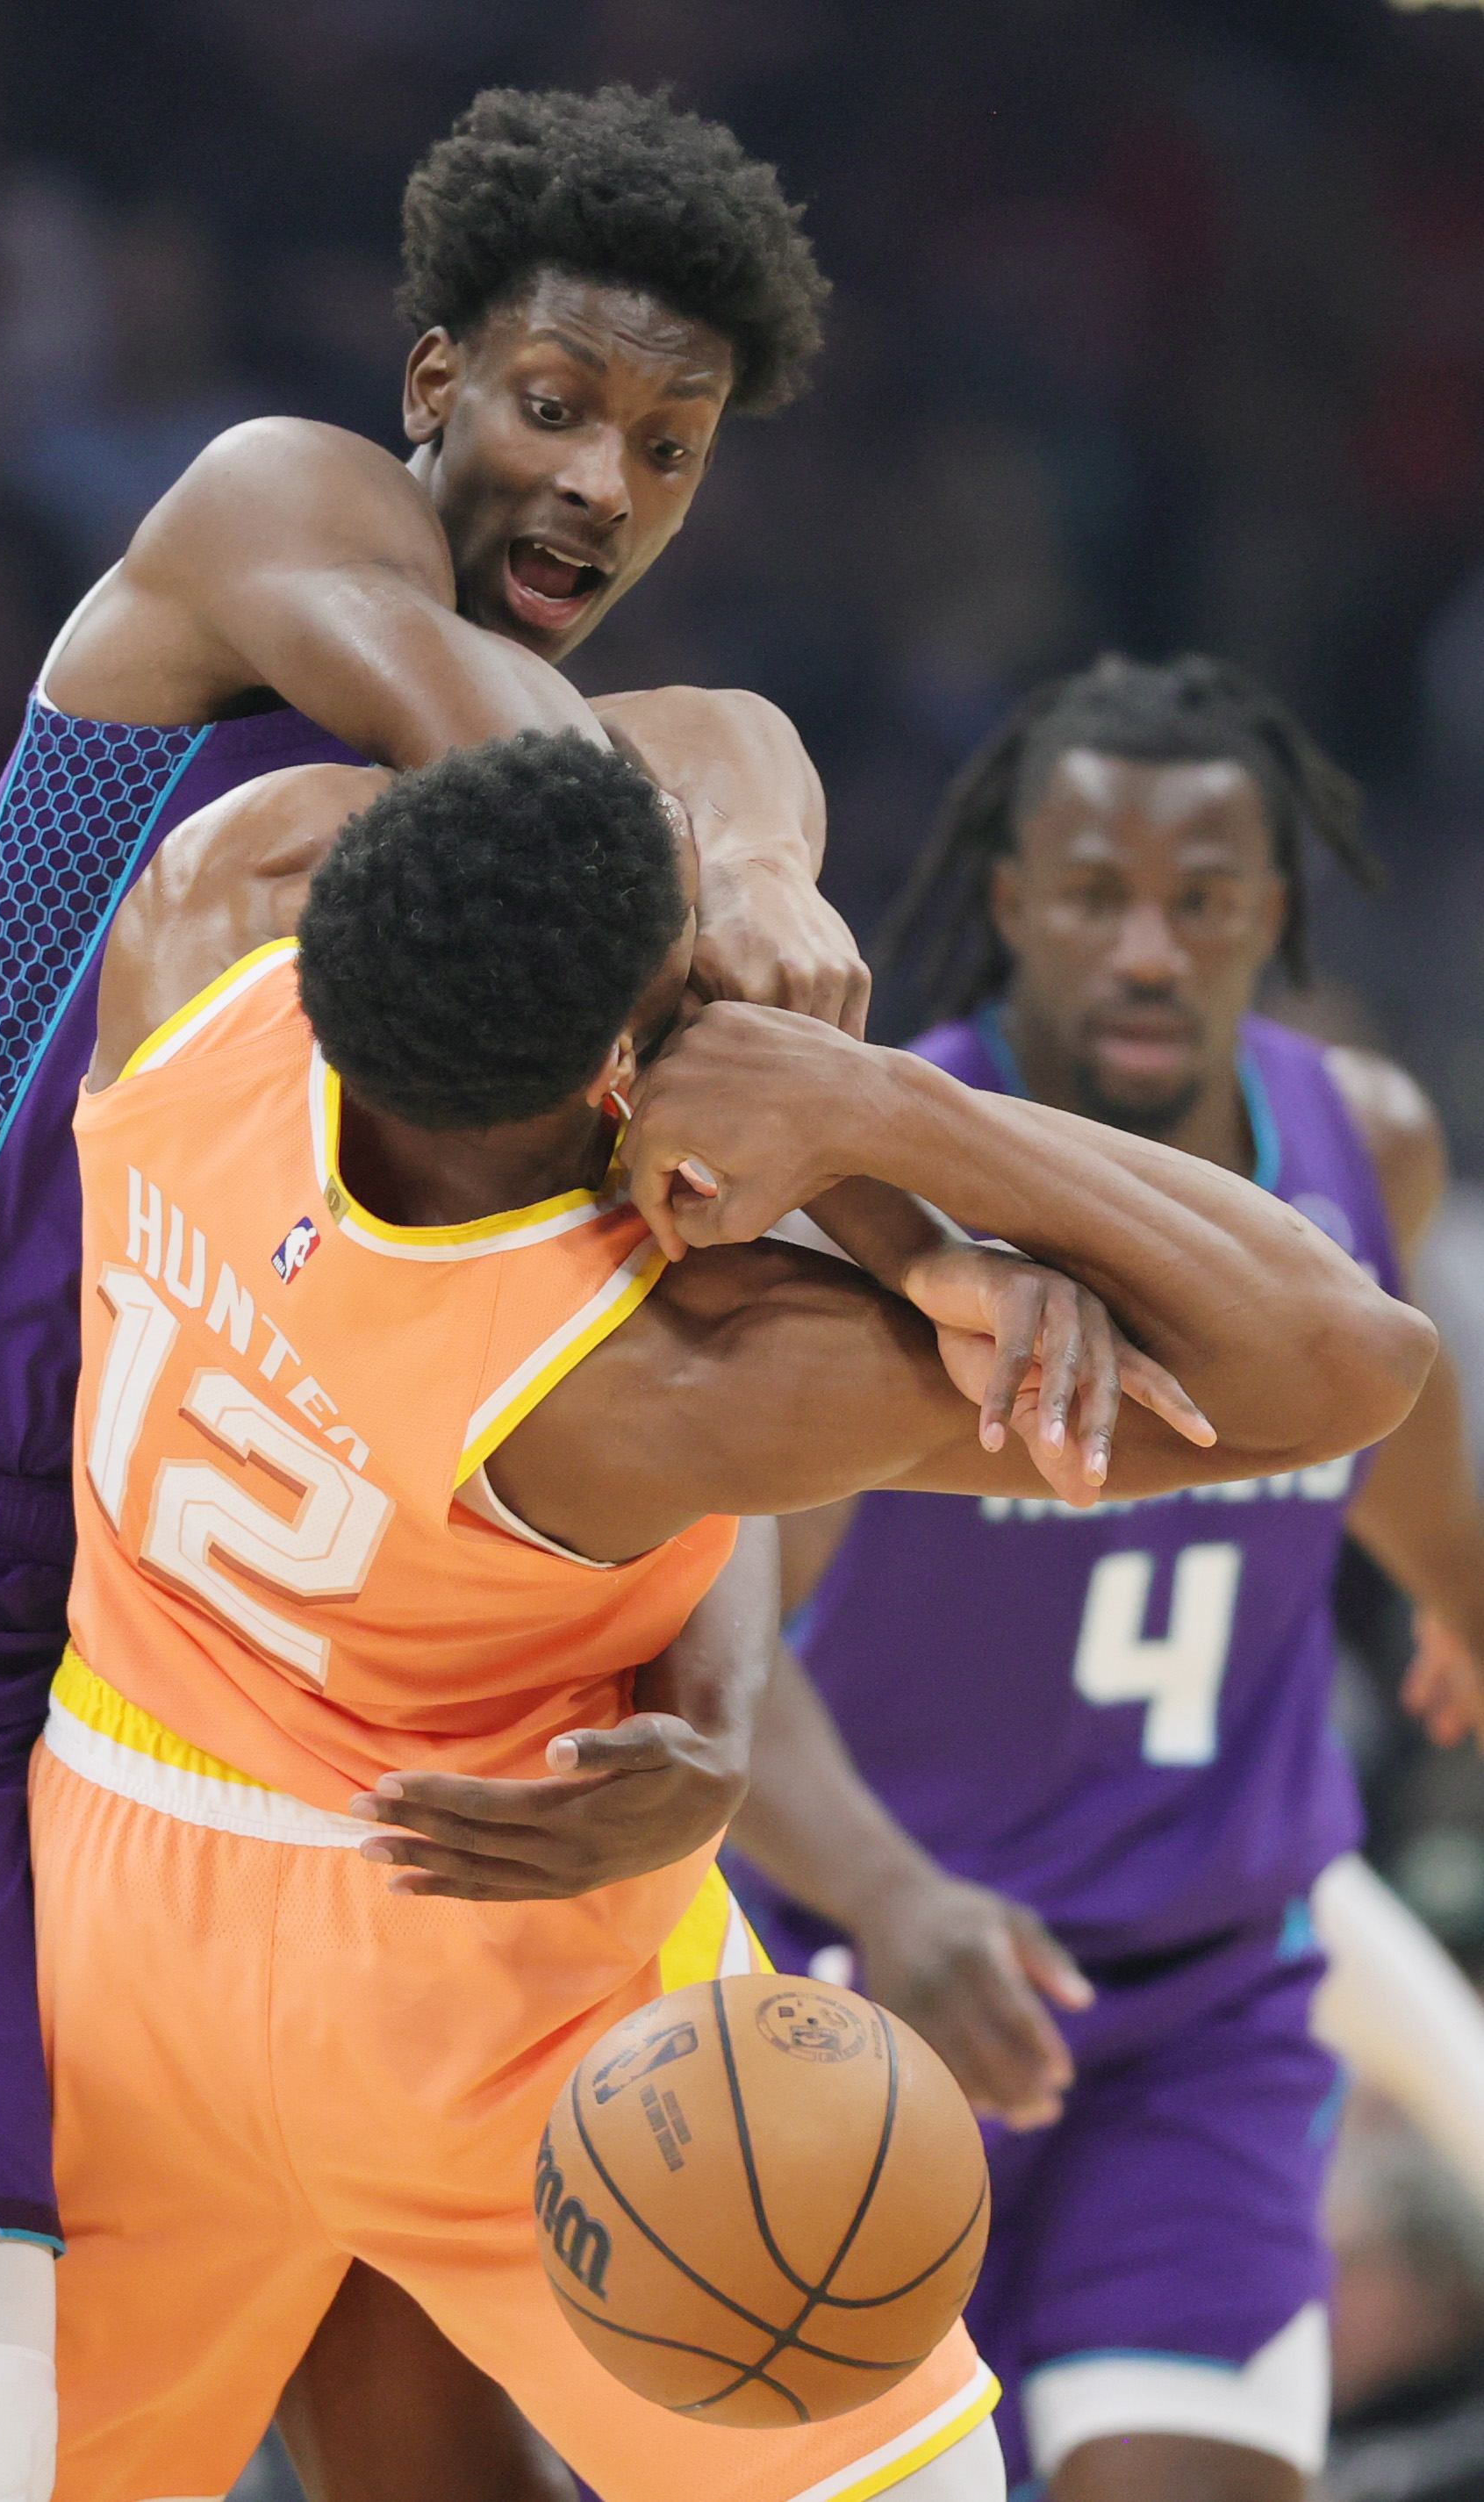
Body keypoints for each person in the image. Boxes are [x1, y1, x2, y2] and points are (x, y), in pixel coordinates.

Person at [0, 82, 866, 2502]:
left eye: (668, 442)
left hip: (229, 1670)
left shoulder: (627, 803)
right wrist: (736, 842)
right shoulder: (276, 508)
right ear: (430, 381)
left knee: (407, 2432)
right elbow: (549, 770)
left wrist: (717, 1714)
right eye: (550, 404)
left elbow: (650, 1339)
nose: (601, 485)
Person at [37, 724, 1430, 2502]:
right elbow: (1343, 1361)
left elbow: (689, 741)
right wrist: (893, 1121)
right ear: (633, 1052)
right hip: (469, 1951)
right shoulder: (660, 1375)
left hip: (111, 1895)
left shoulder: (205, 921)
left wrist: (744, 883)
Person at [726, 654, 1484, 2502]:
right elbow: (717, 1651)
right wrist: (894, 1894)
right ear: (1006, 905)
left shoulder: (1359, 1139)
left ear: (1274, 916)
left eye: (1202, 901)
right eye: (1092, 895)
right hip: (865, 1994)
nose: (1146, 949)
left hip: (1201, 2020)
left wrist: (1460, 1595)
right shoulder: (875, 1200)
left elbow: (1409, 1427)